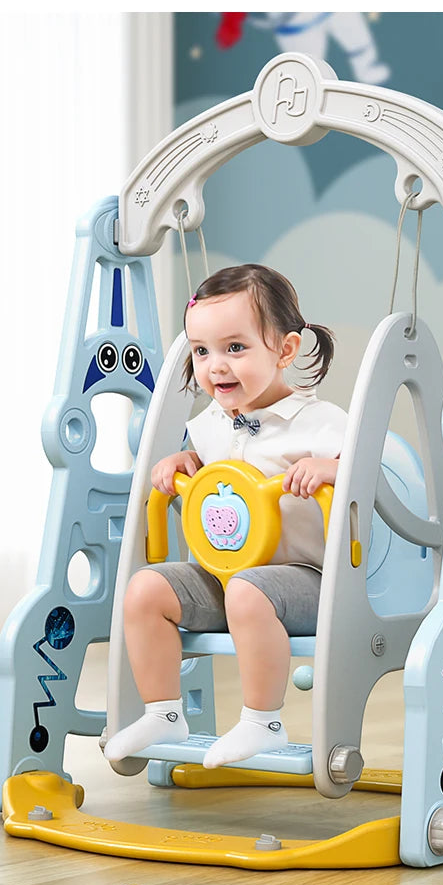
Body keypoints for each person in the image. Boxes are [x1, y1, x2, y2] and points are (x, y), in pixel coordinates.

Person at [104, 264, 347, 770]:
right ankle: (164, 711)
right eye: (201, 351)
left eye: (235, 348)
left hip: (311, 580)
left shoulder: (320, 422)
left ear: (285, 351)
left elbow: (370, 478)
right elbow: (209, 481)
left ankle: (263, 723)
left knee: (248, 590)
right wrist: (182, 463)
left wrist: (330, 468)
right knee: (145, 589)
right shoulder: (211, 424)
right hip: (228, 577)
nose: (215, 366)